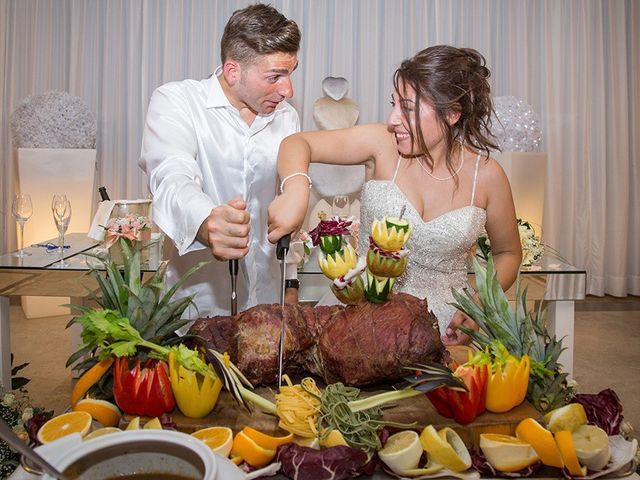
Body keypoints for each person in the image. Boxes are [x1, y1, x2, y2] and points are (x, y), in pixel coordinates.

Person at [268, 45, 522, 345]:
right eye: (394, 104)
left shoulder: (489, 176)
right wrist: (297, 189)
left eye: (408, 108)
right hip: (360, 318)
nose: (392, 119)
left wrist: (480, 301)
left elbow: (509, 253)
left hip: (445, 333)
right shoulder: (382, 144)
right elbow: (297, 144)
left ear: (452, 113)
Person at [139, 4, 301, 326]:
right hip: (197, 305)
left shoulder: (288, 118)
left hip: (267, 303)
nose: (288, 90)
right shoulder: (177, 101)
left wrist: (291, 282)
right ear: (232, 71)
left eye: (290, 73)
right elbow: (171, 176)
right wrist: (204, 220)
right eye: (275, 77)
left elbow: (287, 209)